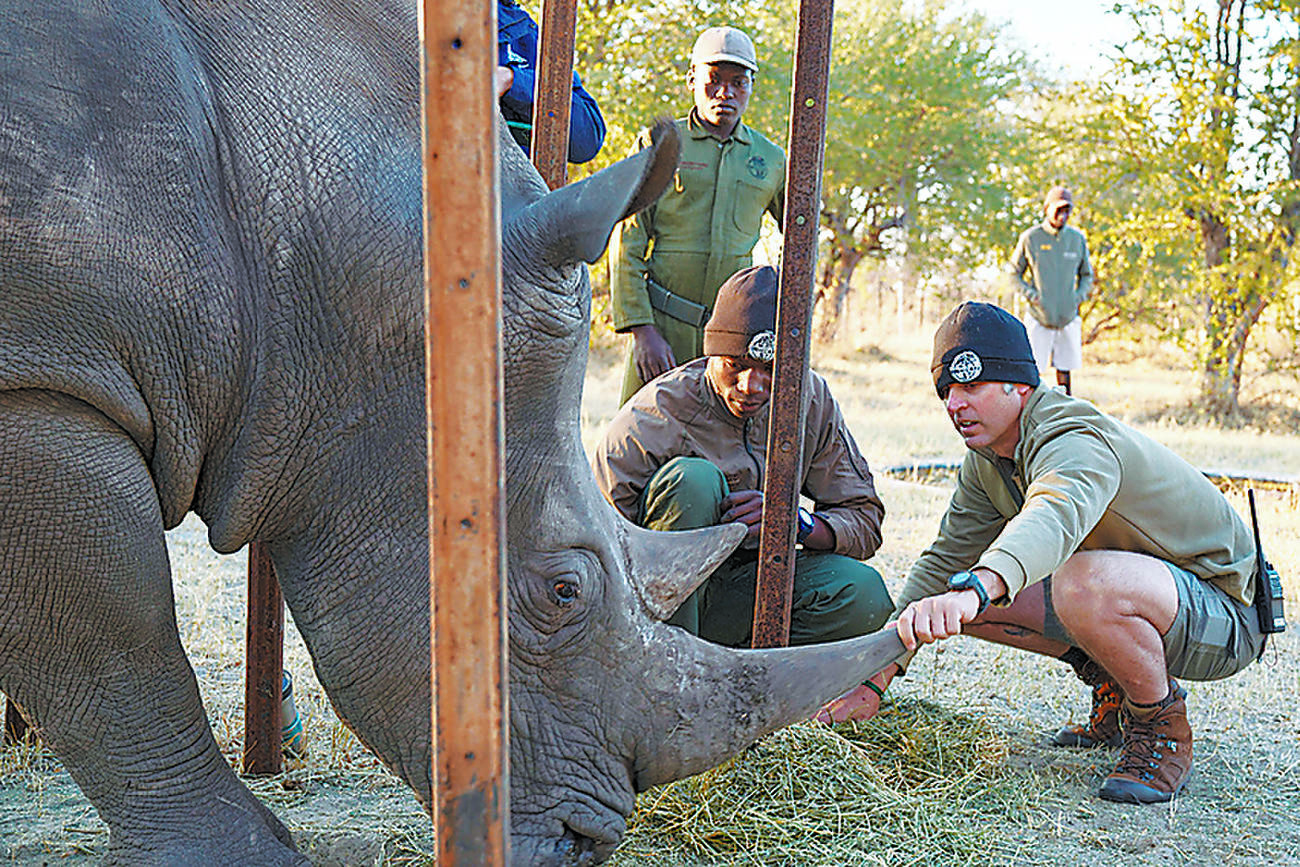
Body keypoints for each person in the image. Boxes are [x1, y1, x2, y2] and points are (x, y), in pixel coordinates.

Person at [818, 301, 1267, 805]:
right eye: (946, 391)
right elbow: (945, 562)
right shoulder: (987, 460)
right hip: (1153, 601)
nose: (954, 405)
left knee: (1073, 581)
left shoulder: (1073, 435)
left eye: (971, 386)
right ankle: (1115, 685)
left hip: (1226, 614)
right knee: (953, 594)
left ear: (1020, 385)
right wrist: (876, 676)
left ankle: (1160, 728)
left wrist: (981, 585)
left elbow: (1054, 513)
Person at [591, 265, 892, 648]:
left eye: (772, 370)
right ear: (711, 353)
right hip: (654, 605)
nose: (751, 385)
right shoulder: (655, 414)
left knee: (863, 594)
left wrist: (793, 522)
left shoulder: (811, 401)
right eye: (735, 366)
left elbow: (864, 521)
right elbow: (595, 544)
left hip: (750, 588)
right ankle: (671, 664)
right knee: (694, 480)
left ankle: (749, 674)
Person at [609, 26, 785, 405]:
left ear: (751, 85)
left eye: (739, 82)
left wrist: (774, 309)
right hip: (664, 328)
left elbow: (802, 239)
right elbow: (628, 238)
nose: (725, 93)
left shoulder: (770, 159)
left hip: (735, 338)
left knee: (723, 441)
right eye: (714, 80)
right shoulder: (662, 143)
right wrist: (642, 331)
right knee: (643, 435)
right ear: (692, 79)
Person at [496, 0, 606, 164]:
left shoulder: (525, 32)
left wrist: (513, 80)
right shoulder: (450, 20)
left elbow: (585, 141)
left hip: (519, 183)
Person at [1010, 185, 1093, 395]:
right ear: (1047, 208)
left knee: (1065, 373)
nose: (1063, 215)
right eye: (1058, 210)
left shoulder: (1077, 239)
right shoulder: (1031, 238)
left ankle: (1065, 415)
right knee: (1030, 373)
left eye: (1067, 211)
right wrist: (1031, 295)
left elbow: (1087, 275)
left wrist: (1078, 297)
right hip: (1039, 317)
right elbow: (1013, 273)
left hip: (1068, 317)